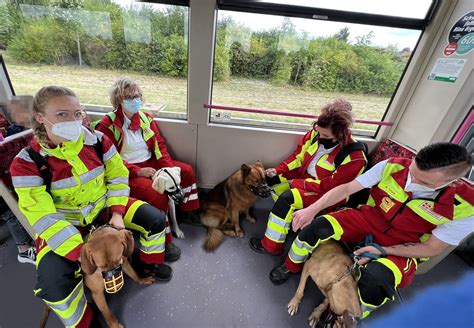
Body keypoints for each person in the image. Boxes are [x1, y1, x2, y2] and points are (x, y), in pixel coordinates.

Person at [10, 86, 173, 327]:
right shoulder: (26, 163)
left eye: (77, 114)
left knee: (156, 219)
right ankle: (85, 321)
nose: (74, 121)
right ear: (40, 118)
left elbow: (118, 176)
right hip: (66, 225)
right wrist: (83, 254)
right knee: (54, 286)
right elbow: (44, 217)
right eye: (62, 114)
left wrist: (117, 213)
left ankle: (147, 265)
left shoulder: (97, 141)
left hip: (105, 208)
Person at [269, 142, 473, 319]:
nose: (411, 183)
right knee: (316, 227)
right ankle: (290, 266)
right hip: (369, 218)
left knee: (377, 282)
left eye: (423, 182)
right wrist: (312, 209)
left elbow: (430, 248)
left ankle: (344, 314)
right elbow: (347, 188)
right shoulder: (392, 166)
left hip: (406, 243)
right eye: (412, 172)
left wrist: (384, 250)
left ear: (451, 182)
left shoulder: (466, 207)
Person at [249, 99, 367, 255]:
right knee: (269, 180)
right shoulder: (314, 134)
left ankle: (271, 246)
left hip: (328, 193)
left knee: (287, 198)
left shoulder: (355, 157)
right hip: (305, 179)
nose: (319, 136)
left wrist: (297, 183)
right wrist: (278, 170)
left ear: (340, 134)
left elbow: (331, 187)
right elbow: (298, 157)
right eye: (318, 131)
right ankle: (290, 219)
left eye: (325, 135)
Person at [94, 78, 200, 245]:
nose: (135, 100)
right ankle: (165, 236)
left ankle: (187, 211)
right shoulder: (107, 125)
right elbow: (110, 161)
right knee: (155, 194)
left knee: (186, 171)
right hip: (128, 171)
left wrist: (169, 170)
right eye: (129, 97)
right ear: (118, 100)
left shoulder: (145, 119)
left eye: (137, 96)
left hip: (150, 162)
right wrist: (137, 171)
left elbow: (160, 147)